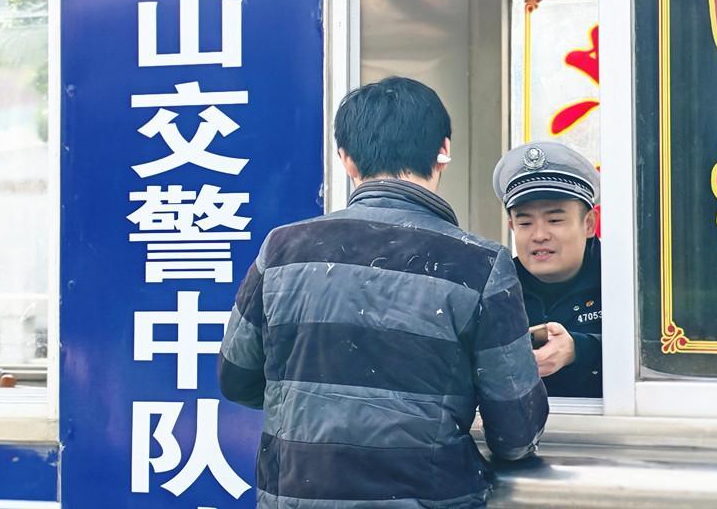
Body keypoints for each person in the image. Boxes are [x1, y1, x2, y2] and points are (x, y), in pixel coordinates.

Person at [219, 76, 548, 509]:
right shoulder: (480, 265)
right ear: (443, 151)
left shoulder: (282, 250)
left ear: (346, 160)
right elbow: (516, 433)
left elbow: (237, 378)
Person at [492, 141, 602, 398]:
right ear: (512, 226)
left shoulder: (625, 282)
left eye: (555, 220)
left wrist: (578, 349)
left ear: (589, 224)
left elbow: (654, 357)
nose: (539, 235)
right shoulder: (494, 289)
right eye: (525, 223)